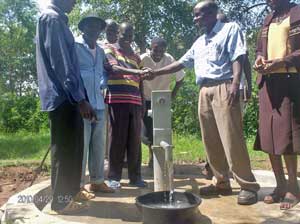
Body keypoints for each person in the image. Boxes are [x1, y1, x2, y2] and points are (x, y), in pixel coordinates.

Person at [148, 0, 260, 205]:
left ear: (212, 13)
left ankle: (248, 186)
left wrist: (236, 82)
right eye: (195, 14)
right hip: (204, 90)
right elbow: (181, 62)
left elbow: (238, 56)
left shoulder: (229, 29)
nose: (195, 18)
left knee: (231, 137)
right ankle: (221, 181)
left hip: (224, 86)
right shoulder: (199, 41)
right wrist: (155, 72)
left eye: (198, 14)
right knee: (211, 139)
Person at [36, 0, 96, 214]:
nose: (75, 2)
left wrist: (82, 97)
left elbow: (71, 65)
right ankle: (60, 203)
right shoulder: (51, 19)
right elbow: (61, 63)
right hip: (63, 97)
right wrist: (79, 99)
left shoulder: (58, 19)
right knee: (64, 151)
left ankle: (71, 193)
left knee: (76, 148)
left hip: (71, 96)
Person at [254, 0, 300, 210]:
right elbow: (259, 50)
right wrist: (260, 59)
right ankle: (280, 185)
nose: (267, 1)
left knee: (286, 136)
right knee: (269, 136)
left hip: (289, 83)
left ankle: (293, 187)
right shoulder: (268, 19)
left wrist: (282, 62)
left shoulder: (297, 13)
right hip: (268, 84)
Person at [202, 11, 253, 180]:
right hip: (212, 89)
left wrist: (246, 85)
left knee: (231, 134)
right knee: (213, 134)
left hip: (231, 88)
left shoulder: (233, 35)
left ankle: (245, 181)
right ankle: (217, 174)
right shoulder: (208, 40)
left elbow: (244, 60)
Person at [104, 22, 150, 189]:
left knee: (135, 140)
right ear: (118, 34)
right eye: (125, 35)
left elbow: (141, 81)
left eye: (131, 36)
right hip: (117, 100)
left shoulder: (137, 57)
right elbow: (114, 68)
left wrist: (143, 100)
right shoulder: (110, 49)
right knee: (117, 138)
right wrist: (138, 72)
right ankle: (113, 177)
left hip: (136, 102)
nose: (128, 39)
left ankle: (135, 177)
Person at [75, 14, 114, 198]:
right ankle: (78, 186)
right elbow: (71, 73)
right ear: (83, 28)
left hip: (99, 103)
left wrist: (103, 83)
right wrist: (79, 100)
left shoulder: (100, 51)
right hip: (83, 104)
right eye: (90, 26)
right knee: (81, 145)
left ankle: (97, 182)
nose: (94, 30)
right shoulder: (75, 46)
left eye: (98, 27)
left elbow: (104, 71)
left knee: (99, 145)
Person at [140, 37, 185, 168]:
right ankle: (151, 152)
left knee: (160, 130)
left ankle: (156, 158)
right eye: (156, 50)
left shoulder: (169, 59)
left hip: (162, 100)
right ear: (150, 48)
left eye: (162, 51)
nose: (158, 53)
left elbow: (180, 78)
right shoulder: (143, 59)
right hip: (145, 98)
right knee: (145, 131)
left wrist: (173, 95)